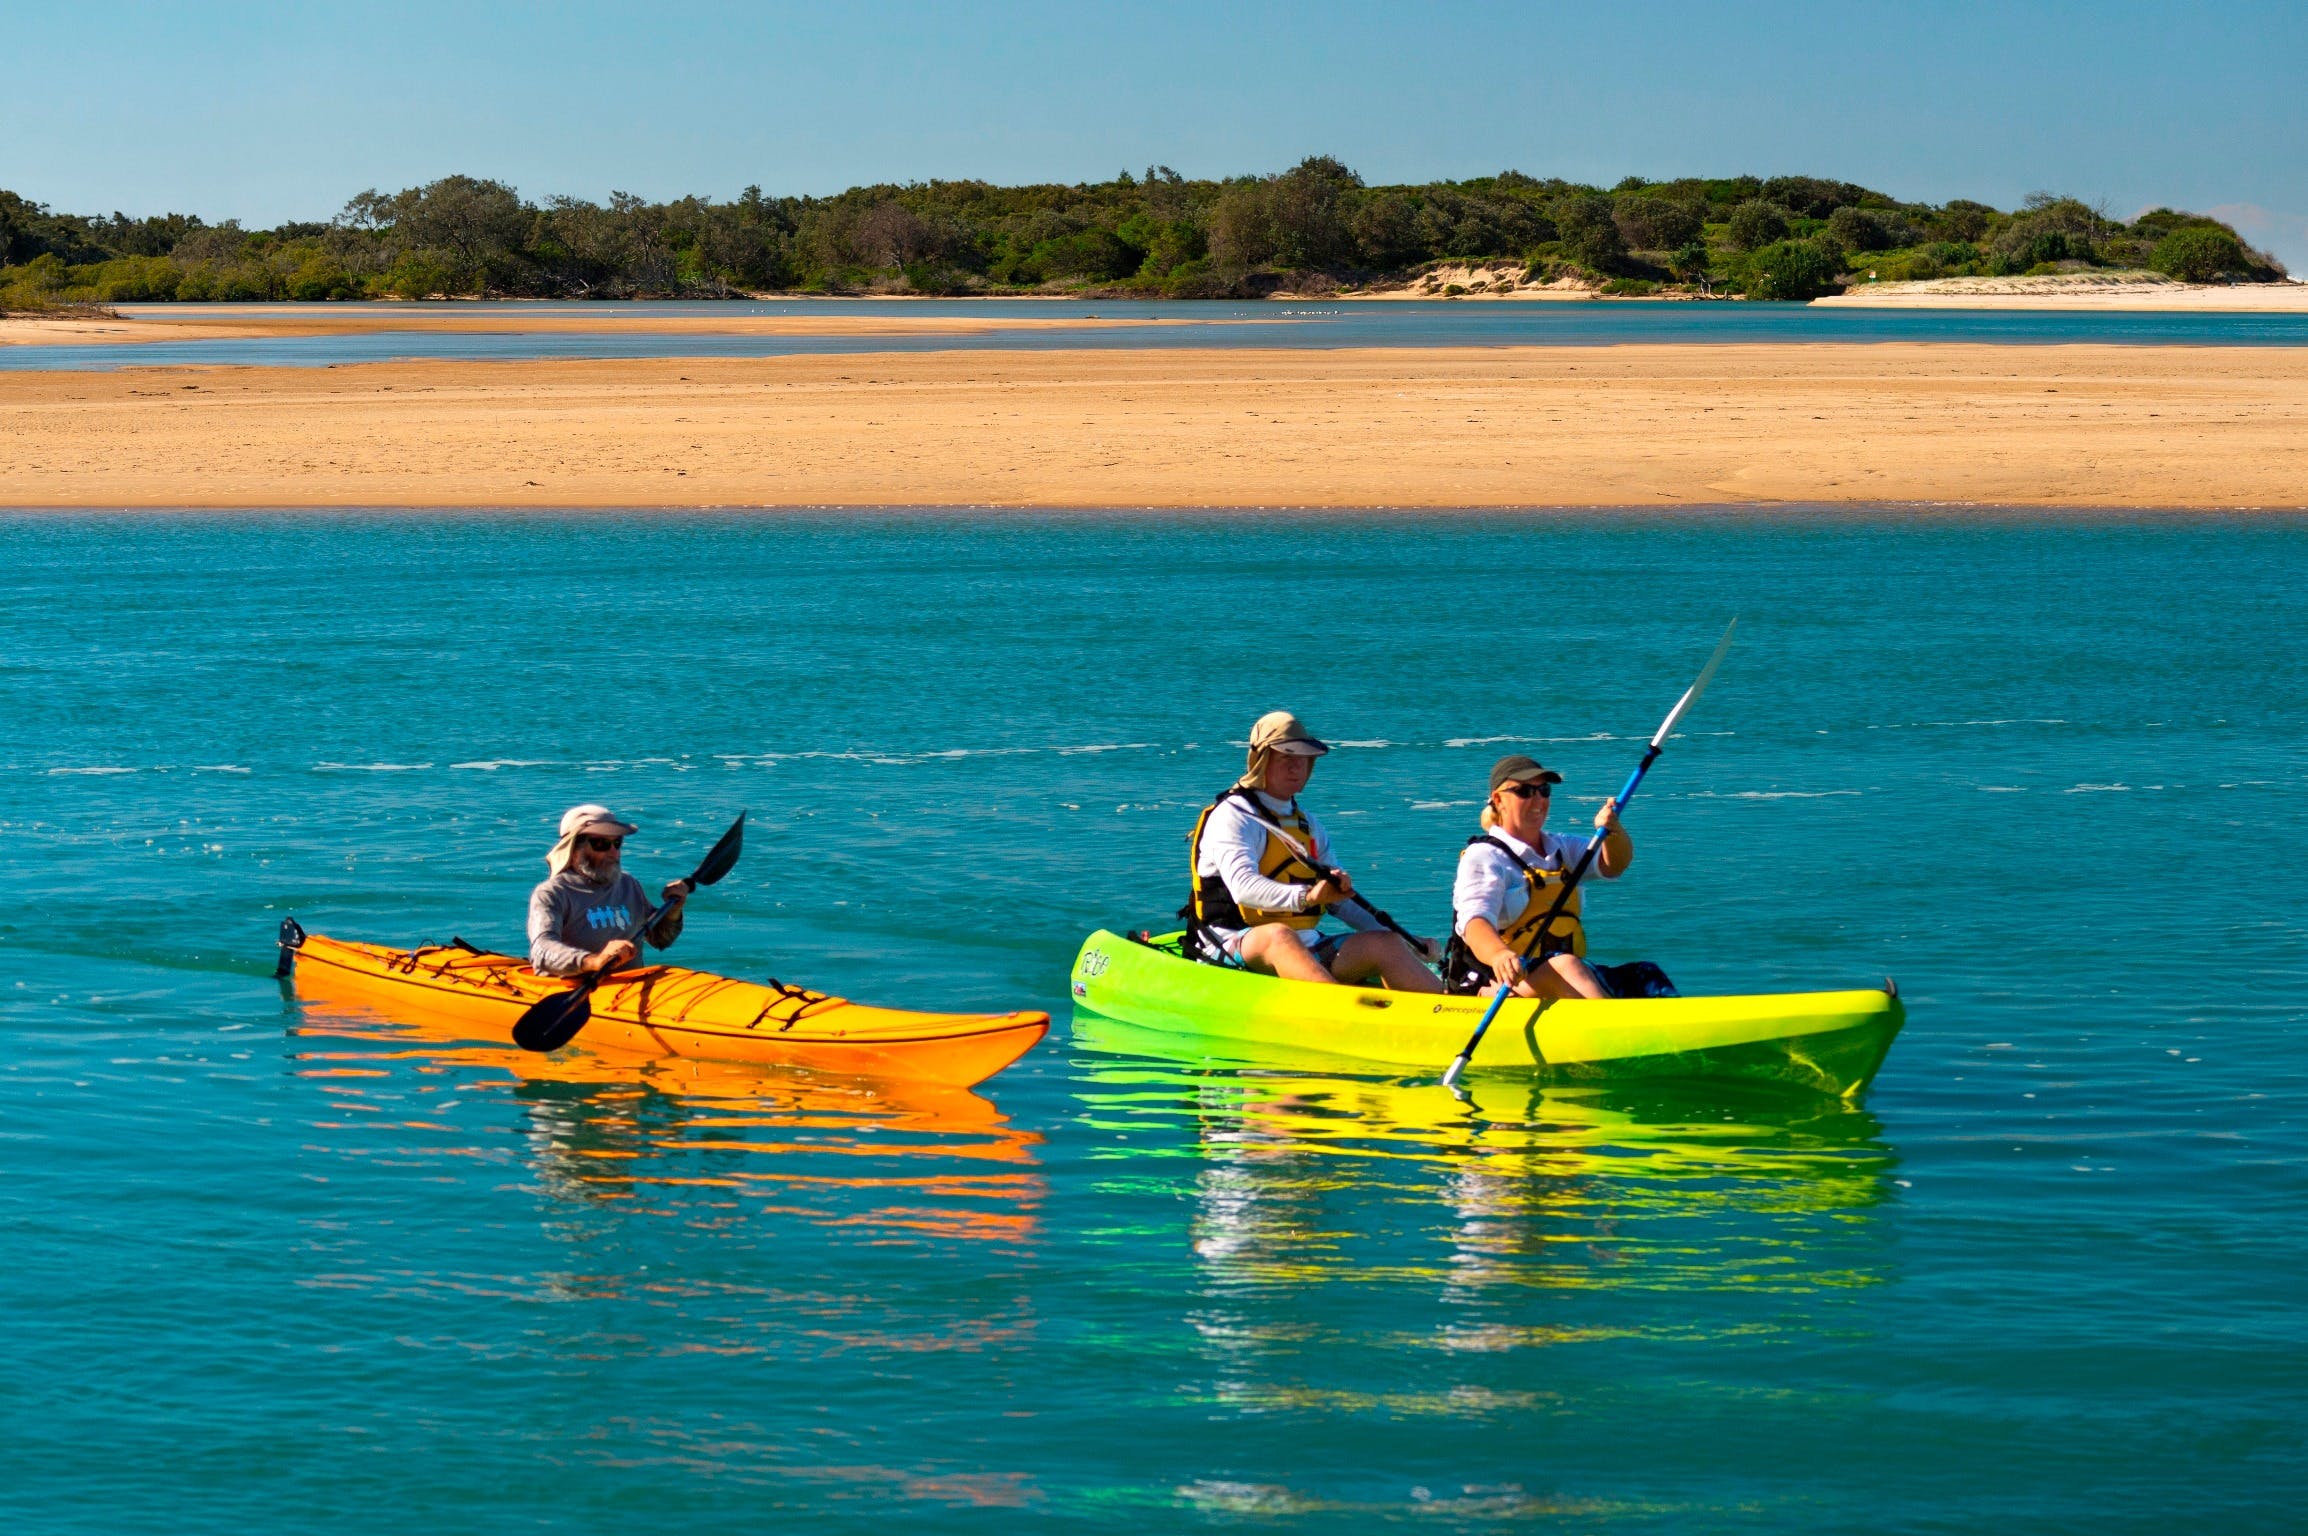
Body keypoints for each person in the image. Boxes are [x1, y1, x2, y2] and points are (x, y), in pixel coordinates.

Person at [1181, 711, 1441, 991]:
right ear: (1261, 761)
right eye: (1286, 759)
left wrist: (1408, 940)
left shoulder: (1308, 825)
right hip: (1230, 943)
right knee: (1279, 937)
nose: (1296, 768)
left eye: (1303, 760)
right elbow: (1244, 888)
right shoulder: (1233, 816)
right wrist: (1307, 896)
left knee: (1386, 943)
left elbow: (1340, 902)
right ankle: (1341, 1016)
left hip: (1305, 944)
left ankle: (1448, 1012)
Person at [1442, 755, 1673, 1000]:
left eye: (1544, 790)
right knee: (1566, 966)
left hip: (1553, 975)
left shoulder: (1562, 847)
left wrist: (1613, 832)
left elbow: (1613, 865)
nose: (1538, 800)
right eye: (1524, 792)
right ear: (1498, 800)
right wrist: (1499, 954)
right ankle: (1616, 1029)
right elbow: (1474, 923)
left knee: (1646, 974)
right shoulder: (1484, 856)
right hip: (1501, 983)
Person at [527, 803, 693, 978]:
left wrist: (674, 911)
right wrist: (594, 961)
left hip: (625, 992)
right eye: (601, 844)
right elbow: (541, 951)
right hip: (570, 992)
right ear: (574, 848)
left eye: (617, 843)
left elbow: (661, 939)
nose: (614, 853)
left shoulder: (628, 885)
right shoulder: (552, 894)